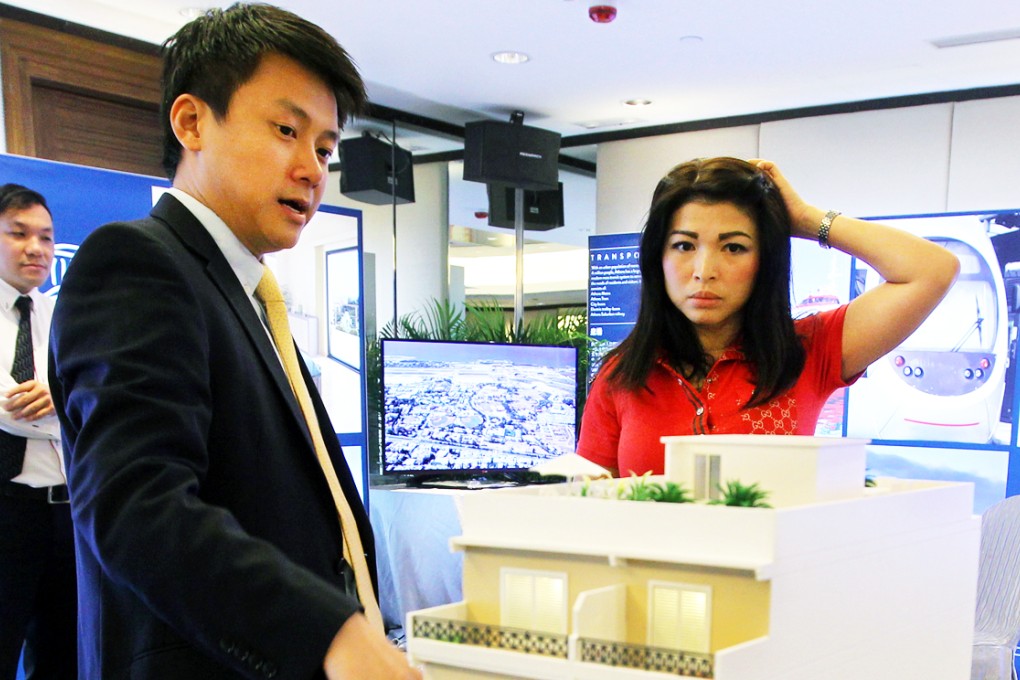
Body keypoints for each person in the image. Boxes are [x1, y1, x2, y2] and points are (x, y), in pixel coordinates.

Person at [48, 4, 420, 679]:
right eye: (286, 130)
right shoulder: (137, 263)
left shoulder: (245, 294)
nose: (311, 169)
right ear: (191, 122)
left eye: (326, 148)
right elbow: (138, 507)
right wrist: (329, 632)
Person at [576, 156, 960, 477]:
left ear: (765, 260)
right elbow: (587, 511)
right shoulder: (622, 375)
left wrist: (806, 219)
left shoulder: (807, 351)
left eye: (734, 247)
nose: (704, 269)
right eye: (683, 245)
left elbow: (932, 269)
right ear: (657, 256)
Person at [0, 184, 75, 680]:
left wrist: (61, 400)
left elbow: (95, 399)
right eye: (19, 233)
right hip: (7, 513)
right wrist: (62, 403)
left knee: (65, 650)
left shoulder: (63, 315)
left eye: (47, 237)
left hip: (69, 512)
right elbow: (11, 409)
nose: (37, 249)